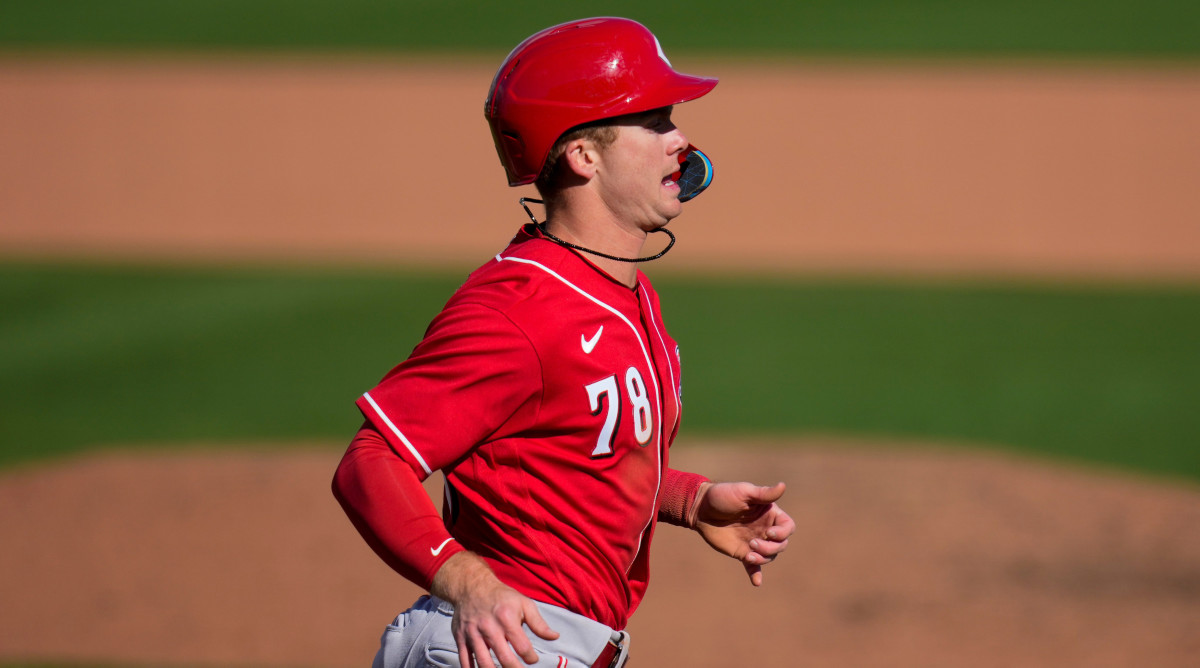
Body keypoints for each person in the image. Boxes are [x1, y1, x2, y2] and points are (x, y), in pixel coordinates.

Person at [332, 17, 794, 668]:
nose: (680, 140)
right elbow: (370, 459)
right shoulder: (516, 310)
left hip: (555, 645)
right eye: (655, 120)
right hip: (495, 642)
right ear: (583, 155)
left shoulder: (630, 296)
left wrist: (689, 501)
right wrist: (464, 578)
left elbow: (576, 456)